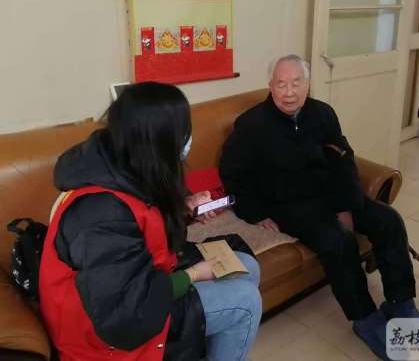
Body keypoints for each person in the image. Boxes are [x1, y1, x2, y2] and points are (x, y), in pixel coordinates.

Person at [219, 54, 419, 359]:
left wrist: (346, 205)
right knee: (337, 239)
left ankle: (401, 302)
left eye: (296, 83)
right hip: (289, 204)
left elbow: (344, 160)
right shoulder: (251, 125)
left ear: (308, 84)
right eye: (281, 84)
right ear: (270, 86)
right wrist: (255, 213)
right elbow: (232, 174)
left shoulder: (323, 114)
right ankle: (364, 317)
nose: (289, 92)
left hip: (332, 193)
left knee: (388, 219)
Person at [39, 82, 261, 361]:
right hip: (106, 333)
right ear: (158, 137)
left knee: (247, 266)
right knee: (246, 301)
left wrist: (185, 206)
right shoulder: (100, 214)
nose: (188, 139)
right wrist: (193, 275)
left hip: (144, 280)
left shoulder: (127, 159)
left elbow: (144, 218)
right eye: (184, 130)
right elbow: (126, 314)